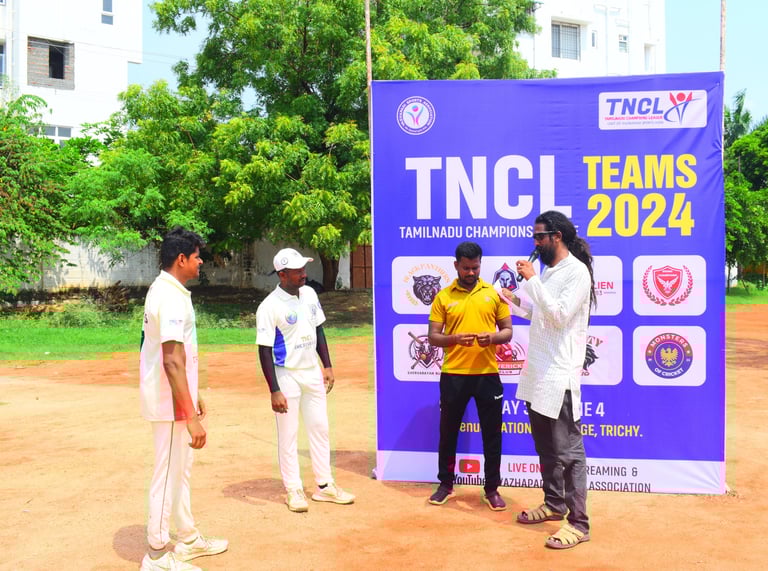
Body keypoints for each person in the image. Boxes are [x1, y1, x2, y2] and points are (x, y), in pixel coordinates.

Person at [501, 210, 597, 550]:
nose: (535, 243)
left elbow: (559, 316)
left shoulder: (577, 272)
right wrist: (513, 300)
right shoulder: (549, 271)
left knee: (569, 453)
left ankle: (579, 523)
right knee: (545, 448)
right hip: (538, 374)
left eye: (540, 236)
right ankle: (554, 504)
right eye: (534, 236)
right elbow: (541, 312)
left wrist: (531, 281)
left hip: (559, 377)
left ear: (557, 236)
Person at [139, 227, 228, 571]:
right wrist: (190, 416)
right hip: (169, 402)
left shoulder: (166, 289)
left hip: (175, 396)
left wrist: (194, 391)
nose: (200, 262)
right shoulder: (171, 296)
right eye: (196, 256)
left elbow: (179, 356)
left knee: (180, 471)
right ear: (181, 259)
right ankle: (157, 555)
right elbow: (171, 360)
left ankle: (188, 538)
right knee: (167, 474)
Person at [256, 247, 355, 512]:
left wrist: (327, 365)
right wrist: (274, 389)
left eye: (303, 269)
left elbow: (318, 329)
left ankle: (325, 486)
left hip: (312, 372)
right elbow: (264, 350)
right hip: (286, 375)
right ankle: (294, 489)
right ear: (282, 274)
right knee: (288, 435)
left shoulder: (310, 293)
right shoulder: (269, 306)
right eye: (298, 271)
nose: (303, 274)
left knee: (320, 428)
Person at [427, 241, 513, 510]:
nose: (471, 272)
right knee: (448, 432)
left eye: (475, 267)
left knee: (492, 434)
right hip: (454, 374)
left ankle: (492, 489)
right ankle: (445, 484)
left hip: (487, 374)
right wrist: (454, 339)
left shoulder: (494, 294)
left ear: (480, 264)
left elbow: (508, 331)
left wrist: (493, 338)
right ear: (456, 266)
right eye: (466, 268)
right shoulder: (443, 297)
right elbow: (433, 337)